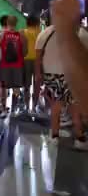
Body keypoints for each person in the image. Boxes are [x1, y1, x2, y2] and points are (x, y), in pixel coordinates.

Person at [35, 16, 88, 149]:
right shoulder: (80, 32)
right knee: (75, 107)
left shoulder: (45, 33)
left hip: (52, 75)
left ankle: (54, 137)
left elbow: (38, 57)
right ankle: (80, 139)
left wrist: (38, 74)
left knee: (56, 107)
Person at [50, 0, 88, 116]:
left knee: (60, 102)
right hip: (62, 74)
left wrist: (66, 32)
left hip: (56, 74)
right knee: (69, 103)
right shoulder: (82, 35)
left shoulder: (79, 35)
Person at [0, 15, 27, 117]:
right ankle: (14, 109)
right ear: (16, 23)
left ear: (7, 22)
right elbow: (25, 51)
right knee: (16, 88)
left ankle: (3, 109)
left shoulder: (1, 34)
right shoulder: (21, 34)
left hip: (5, 64)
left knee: (3, 87)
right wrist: (20, 57)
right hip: (17, 64)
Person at [22, 15, 40, 112]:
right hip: (38, 60)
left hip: (26, 60)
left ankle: (26, 106)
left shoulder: (23, 32)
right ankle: (34, 106)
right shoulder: (40, 32)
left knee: (26, 85)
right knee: (37, 84)